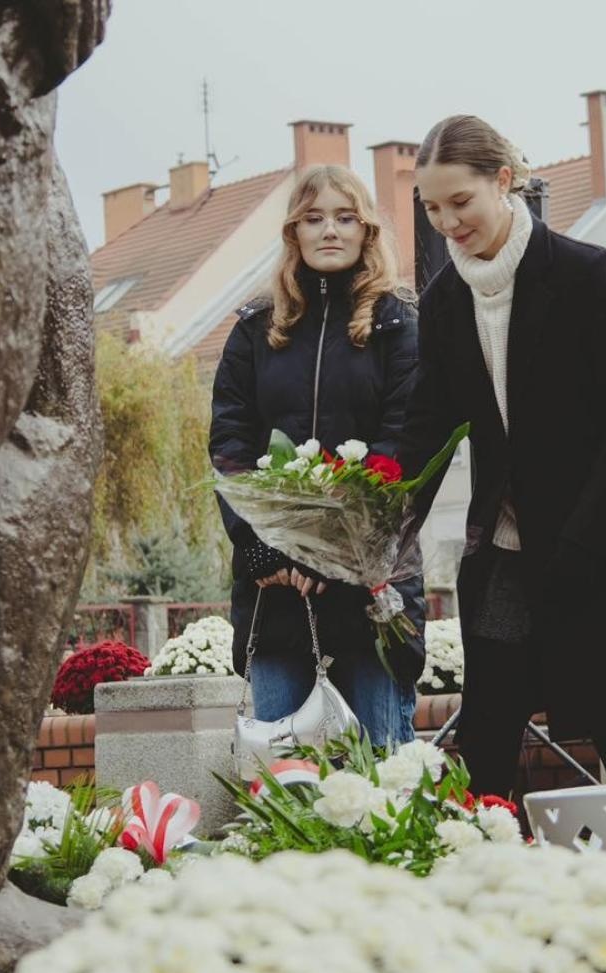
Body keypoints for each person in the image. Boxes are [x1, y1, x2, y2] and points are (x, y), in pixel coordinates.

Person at [394, 115, 606, 797]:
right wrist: (378, 522)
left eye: (461, 202)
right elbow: (428, 427)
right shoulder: (444, 301)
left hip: (600, 544)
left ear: (503, 181)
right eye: (433, 208)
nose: (448, 222)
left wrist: (586, 542)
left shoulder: (584, 274)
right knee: (487, 727)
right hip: (507, 545)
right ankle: (500, 872)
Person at [209, 165, 424, 746]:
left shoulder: (398, 326)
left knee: (379, 774)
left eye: (345, 217)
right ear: (294, 232)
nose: (330, 230)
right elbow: (230, 447)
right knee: (284, 777)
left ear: (366, 230)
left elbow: (400, 443)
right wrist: (260, 546)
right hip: (275, 592)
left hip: (368, 587)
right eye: (314, 218)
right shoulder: (254, 332)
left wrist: (332, 549)